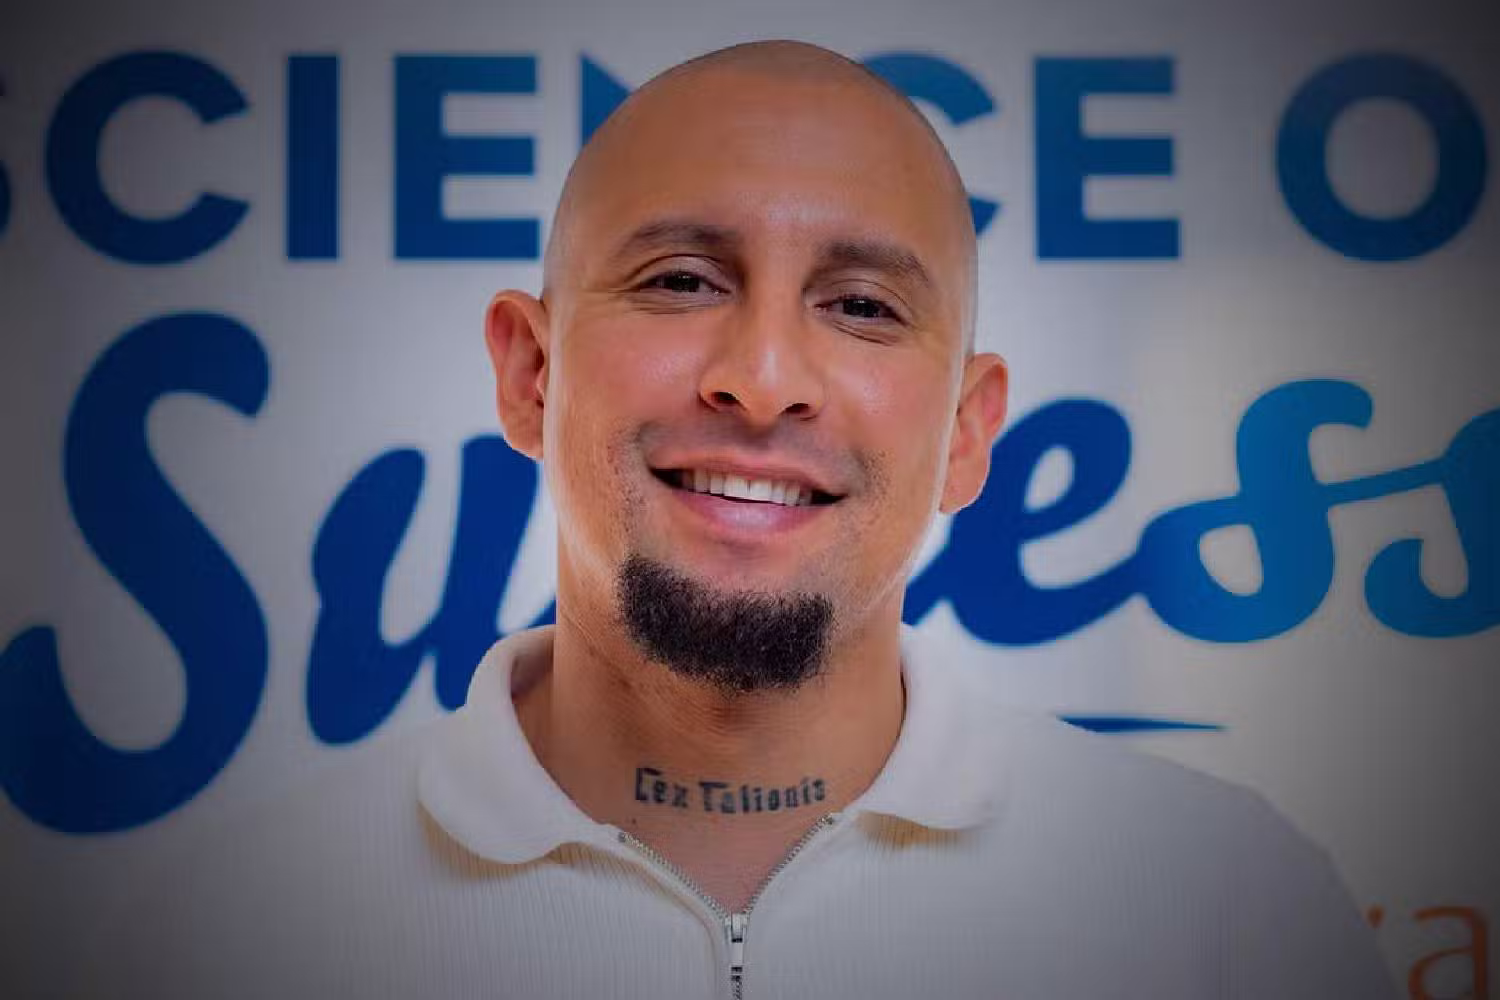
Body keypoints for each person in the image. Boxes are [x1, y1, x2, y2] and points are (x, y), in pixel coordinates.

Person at [79, 39, 1397, 1000]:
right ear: (530, 372)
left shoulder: (1233, 911)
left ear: (967, 433)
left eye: (862, 306)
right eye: (681, 280)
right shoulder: (220, 936)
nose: (762, 380)